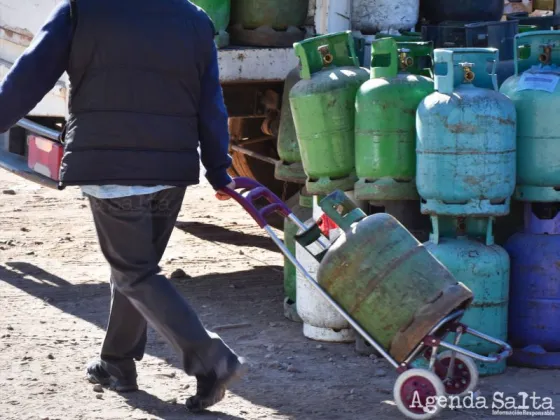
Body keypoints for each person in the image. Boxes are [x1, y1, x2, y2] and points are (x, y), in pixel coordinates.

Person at [0, 0, 245, 412]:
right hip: (172, 169)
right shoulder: (193, 19)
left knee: (134, 272)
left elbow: (29, 77)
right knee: (135, 270)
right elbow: (211, 101)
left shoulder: (82, 11)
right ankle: (117, 363)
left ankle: (212, 360)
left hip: (111, 167)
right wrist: (219, 166)